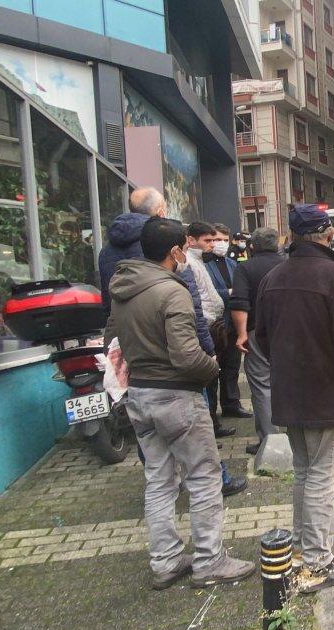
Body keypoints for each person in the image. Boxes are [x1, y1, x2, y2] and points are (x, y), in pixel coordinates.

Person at [104, 217, 255, 590]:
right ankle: (209, 561)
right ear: (175, 251)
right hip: (176, 396)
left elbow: (112, 342)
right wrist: (212, 368)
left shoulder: (123, 289)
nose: (188, 255)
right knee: (203, 477)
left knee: (159, 481)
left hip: (139, 395)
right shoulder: (172, 292)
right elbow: (187, 355)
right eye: (186, 248)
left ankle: (166, 561)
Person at [255, 204, 334, 593]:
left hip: (290, 391)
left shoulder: (274, 277)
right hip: (326, 393)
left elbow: (262, 337)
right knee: (323, 474)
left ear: (292, 237)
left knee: (304, 471)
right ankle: (317, 562)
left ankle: (299, 551)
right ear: (327, 235)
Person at [96, 189, 246, 496]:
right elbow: (191, 309)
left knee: (156, 469)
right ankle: (217, 480)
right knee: (200, 454)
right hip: (176, 370)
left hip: (135, 362)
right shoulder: (167, 252)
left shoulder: (108, 251)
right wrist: (209, 357)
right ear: (161, 212)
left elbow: (109, 307)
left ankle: (168, 483)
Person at [228, 228, 287, 455]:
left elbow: (239, 302)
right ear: (277, 244)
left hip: (257, 332)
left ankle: (270, 442)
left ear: (252, 246)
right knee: (290, 381)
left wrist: (242, 333)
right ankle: (296, 434)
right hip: (289, 331)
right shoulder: (288, 265)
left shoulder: (245, 268)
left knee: (262, 386)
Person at [186, 222, 237, 439]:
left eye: (223, 240)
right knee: (208, 379)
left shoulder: (227, 263)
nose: (214, 245)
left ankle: (217, 418)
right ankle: (210, 426)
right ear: (191, 241)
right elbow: (198, 301)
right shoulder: (192, 263)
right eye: (210, 240)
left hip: (219, 326)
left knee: (223, 372)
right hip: (206, 328)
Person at [204, 224, 251, 420]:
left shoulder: (232, 264)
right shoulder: (204, 264)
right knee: (212, 370)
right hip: (214, 326)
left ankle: (231, 403)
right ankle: (211, 410)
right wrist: (228, 293)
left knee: (232, 366)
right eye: (217, 239)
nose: (221, 244)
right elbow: (205, 293)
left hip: (232, 322)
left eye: (225, 240)